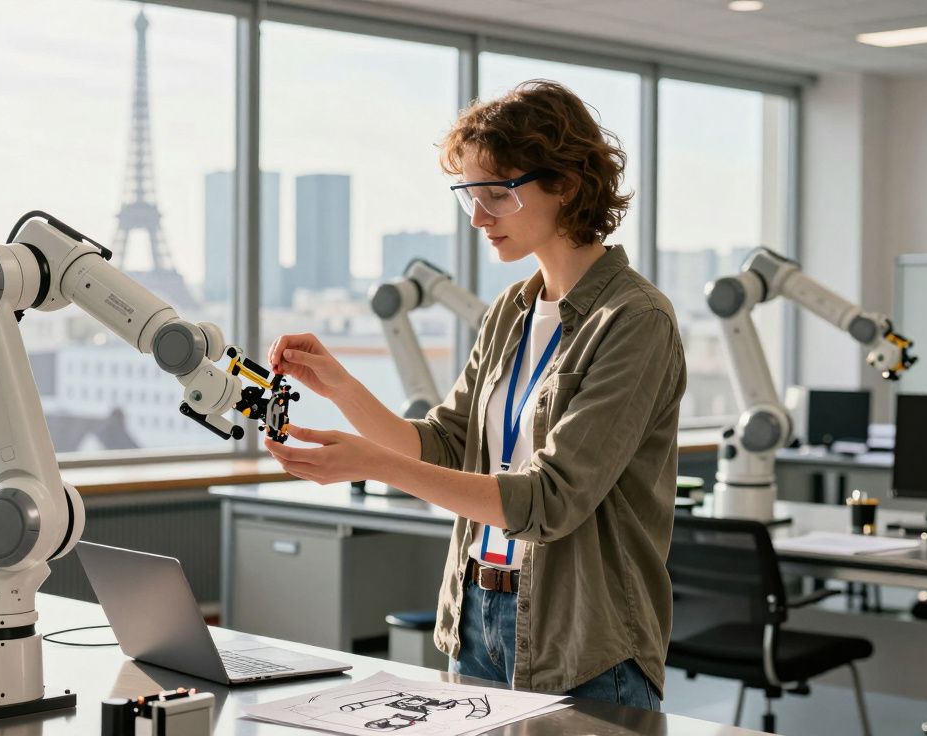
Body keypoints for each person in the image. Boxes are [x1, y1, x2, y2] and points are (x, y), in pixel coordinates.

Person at [263, 80, 686, 710]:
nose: (479, 218)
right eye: (469, 196)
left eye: (497, 194)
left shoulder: (635, 319)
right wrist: (341, 388)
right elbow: (443, 445)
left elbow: (549, 502)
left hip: (583, 639)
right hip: (479, 618)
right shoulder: (508, 313)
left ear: (566, 184)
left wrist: (373, 465)